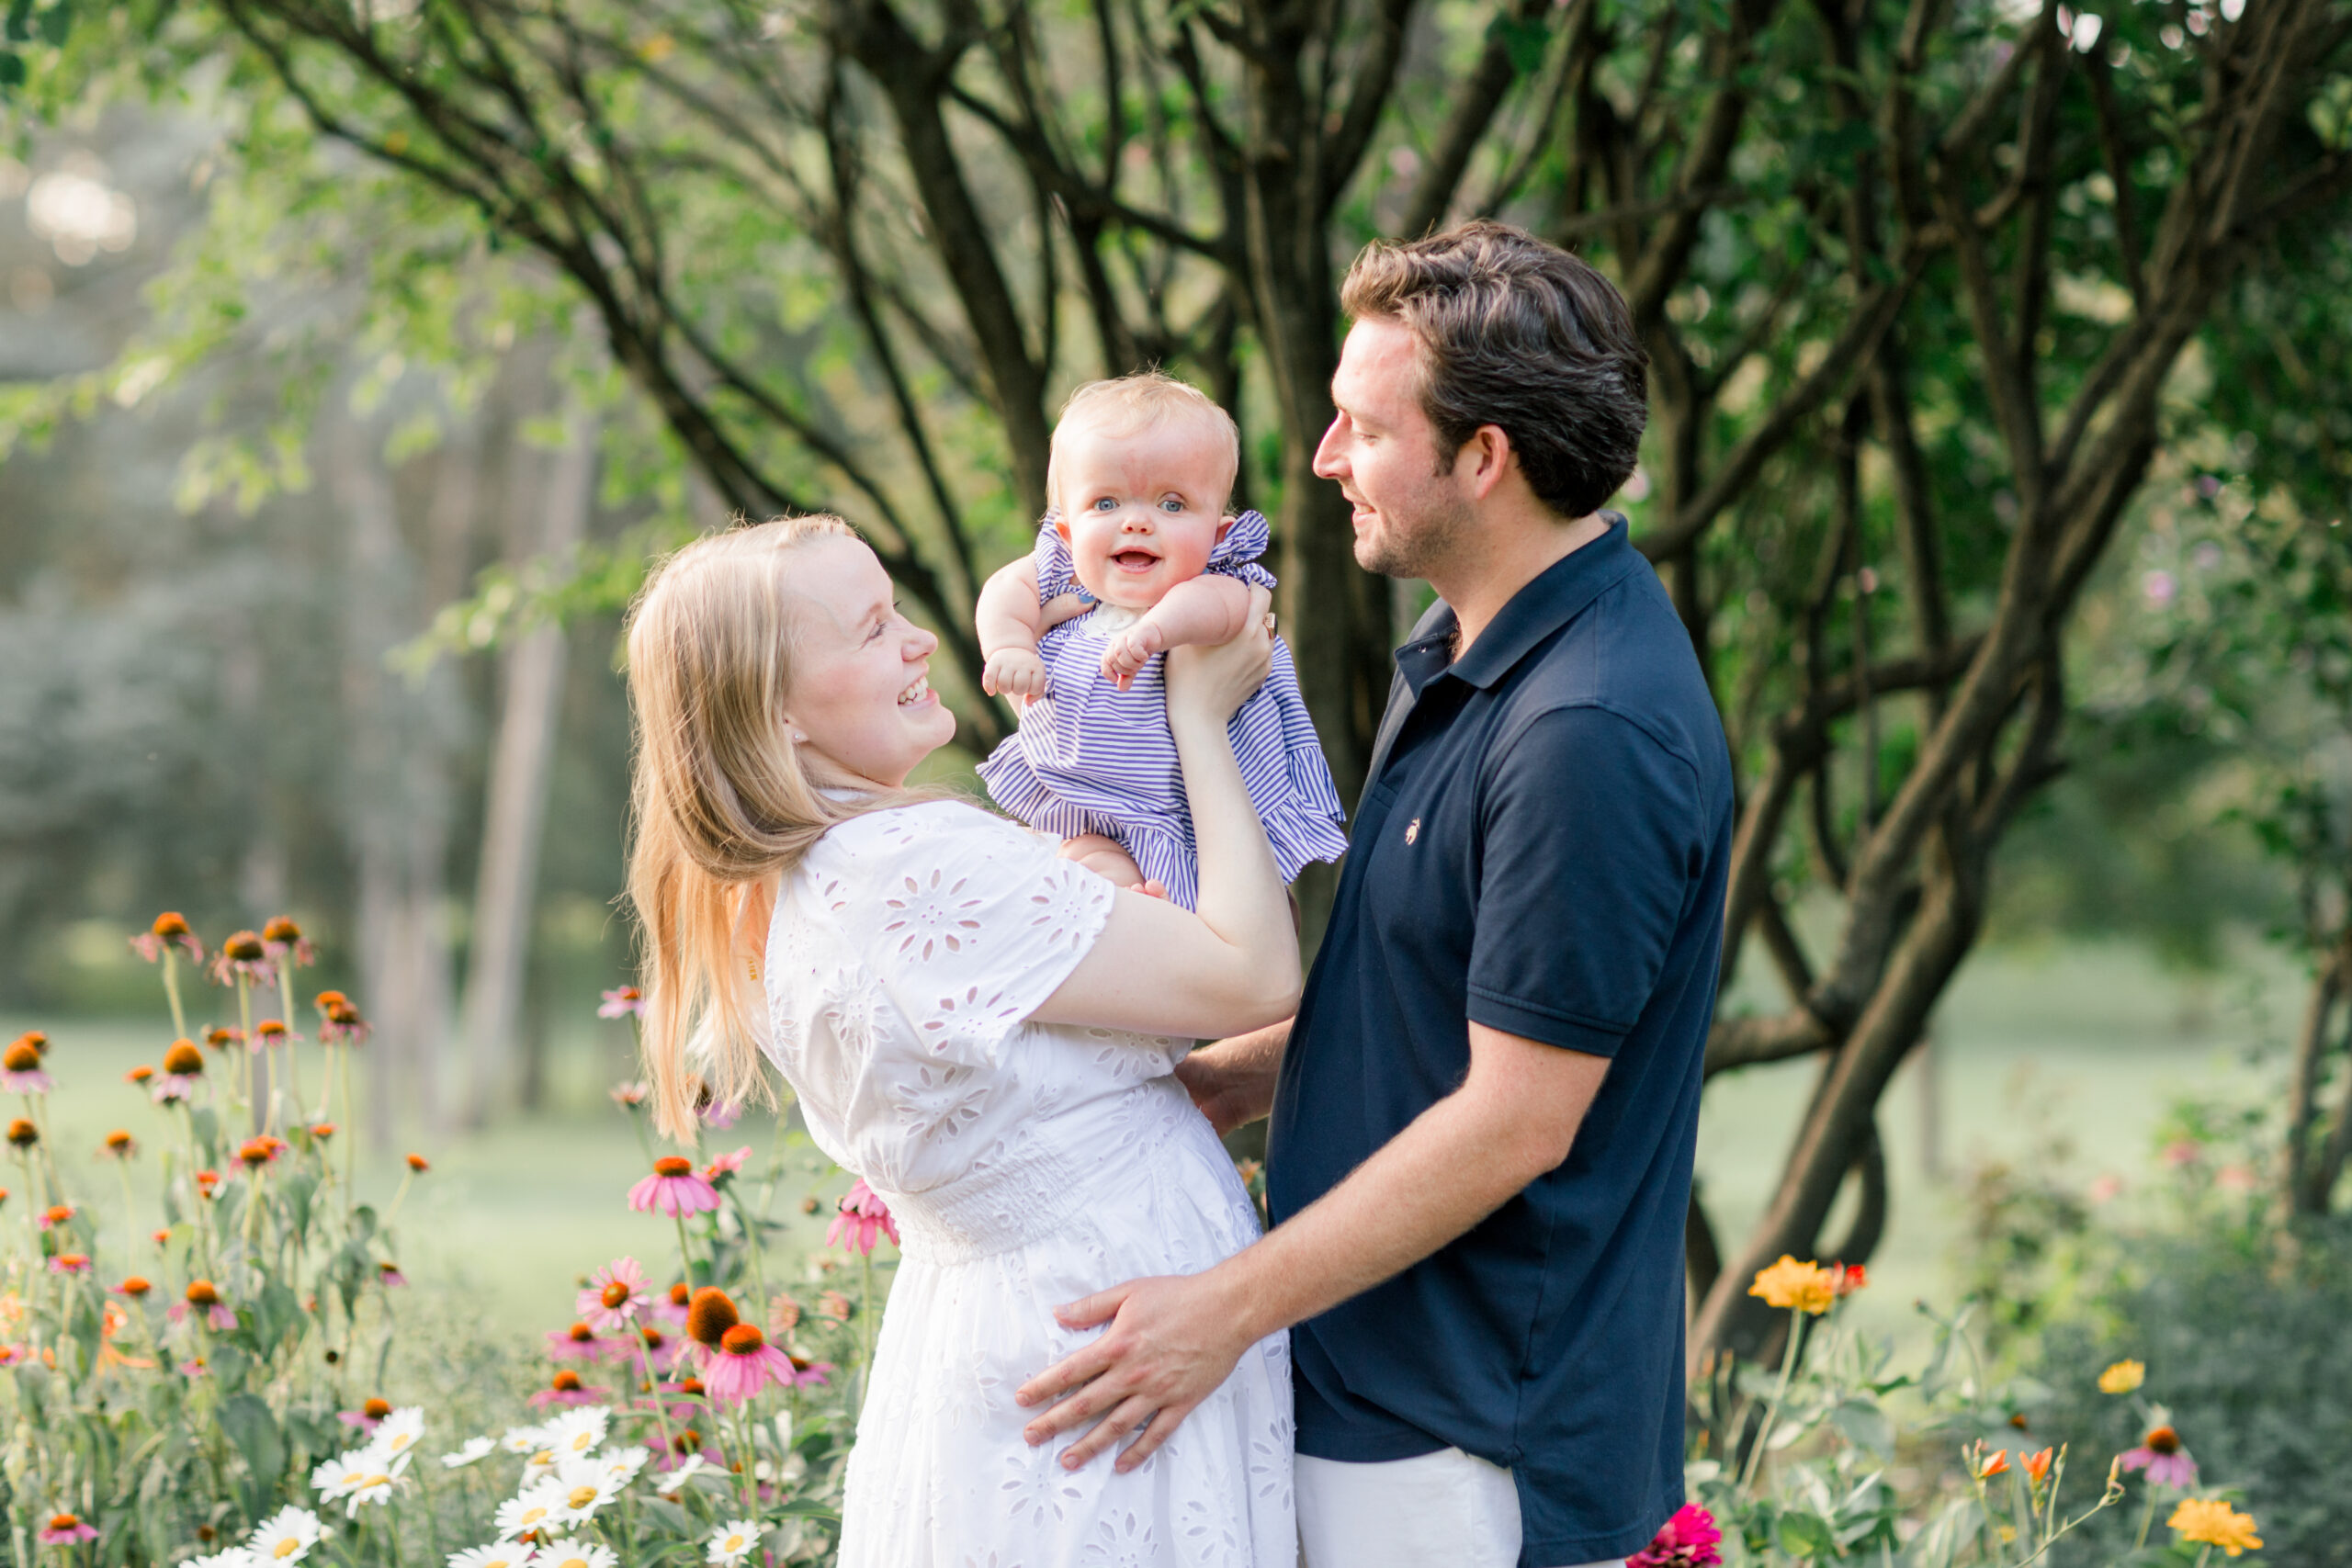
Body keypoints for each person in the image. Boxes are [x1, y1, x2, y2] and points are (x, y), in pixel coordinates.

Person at [1012, 220, 1734, 1568]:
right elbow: (1436, 1003)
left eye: (1361, 426)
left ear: (1483, 458)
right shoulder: (1470, 650)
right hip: (1378, 1405)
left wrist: (1219, 1306)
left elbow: (1515, 1116)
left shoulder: (1589, 725)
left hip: (1470, 1449)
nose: (1327, 458)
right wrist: (1207, 1087)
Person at [621, 515, 1300, 1566]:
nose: (918, 642)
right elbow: (1254, 974)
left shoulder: (810, 883)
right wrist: (1199, 716)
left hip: (1024, 1342)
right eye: (869, 630)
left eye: (896, 610)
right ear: (779, 715)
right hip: (1111, 1361)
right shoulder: (915, 865)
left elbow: (1060, 1100)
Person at [974, 372, 1349, 909]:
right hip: (1091, 807)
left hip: (1194, 817)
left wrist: (1155, 630)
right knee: (1083, 865)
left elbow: (1222, 612)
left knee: (1227, 912)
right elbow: (1001, 590)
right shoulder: (1061, 574)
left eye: (1172, 505)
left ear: (1217, 533)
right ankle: (1127, 922)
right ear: (1067, 531)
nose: (1136, 523)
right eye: (1106, 504)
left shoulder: (1214, 580)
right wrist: (1010, 646)